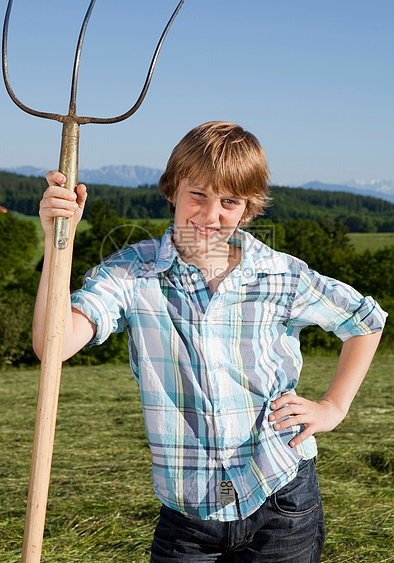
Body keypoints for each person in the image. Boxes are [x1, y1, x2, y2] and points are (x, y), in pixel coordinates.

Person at [34, 121, 387, 562]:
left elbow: (364, 320)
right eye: (197, 194)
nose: (209, 214)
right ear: (172, 190)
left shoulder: (279, 273)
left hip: (282, 497)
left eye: (229, 201)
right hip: (188, 517)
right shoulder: (130, 274)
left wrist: (334, 406)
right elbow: (53, 345)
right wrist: (56, 241)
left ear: (247, 208)